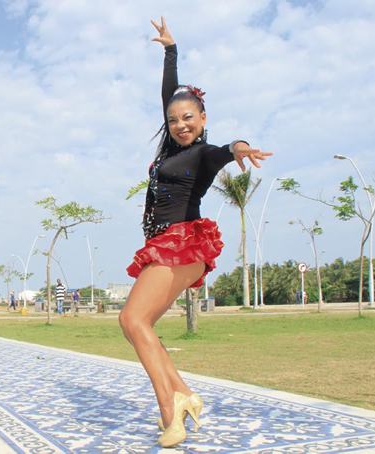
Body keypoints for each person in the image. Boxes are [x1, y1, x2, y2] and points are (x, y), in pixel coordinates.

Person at [120, 17, 272, 448]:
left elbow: (228, 151)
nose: (180, 123)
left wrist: (241, 147)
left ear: (203, 119)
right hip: (167, 247)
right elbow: (170, 94)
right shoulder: (171, 146)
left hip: (182, 243)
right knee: (138, 325)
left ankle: (171, 414)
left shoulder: (203, 153)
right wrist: (171, 52)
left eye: (189, 117)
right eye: (174, 119)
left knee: (131, 318)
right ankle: (183, 393)